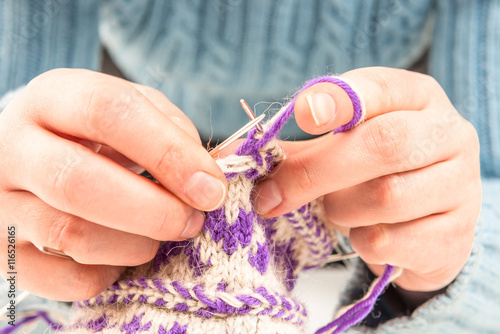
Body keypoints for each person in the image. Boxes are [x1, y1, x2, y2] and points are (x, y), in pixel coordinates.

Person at [0, 0, 498, 332]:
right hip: (120, 190)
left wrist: (442, 269)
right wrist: (18, 224)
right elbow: (19, 112)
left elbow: (488, 177)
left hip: (374, 203)